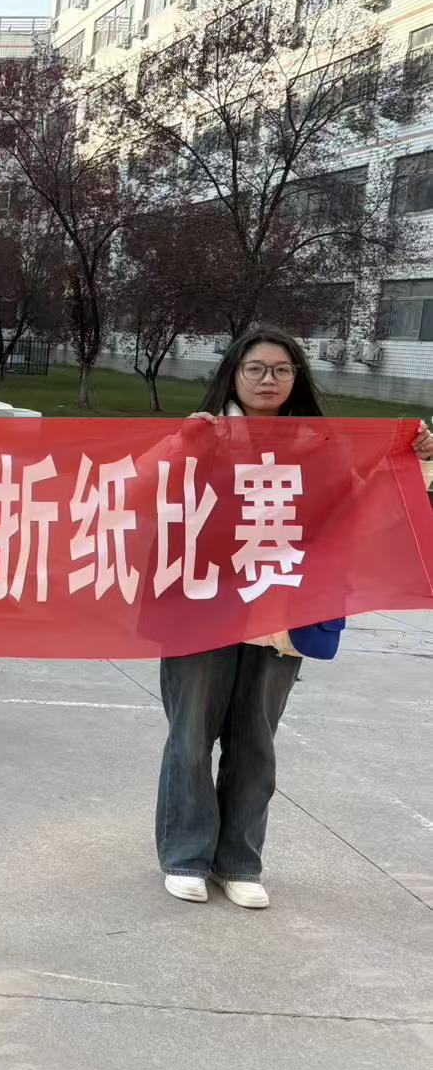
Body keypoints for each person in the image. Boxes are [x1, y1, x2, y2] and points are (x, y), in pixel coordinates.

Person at [158, 327, 433, 909]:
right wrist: (181, 447)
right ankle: (186, 854)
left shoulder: (320, 445)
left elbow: (364, 504)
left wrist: (413, 462)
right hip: (200, 604)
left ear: (296, 379)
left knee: (256, 740)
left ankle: (239, 862)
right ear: (233, 374)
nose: (268, 380)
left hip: (281, 611)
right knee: (190, 736)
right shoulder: (201, 433)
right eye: (255, 369)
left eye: (281, 370)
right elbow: (143, 488)